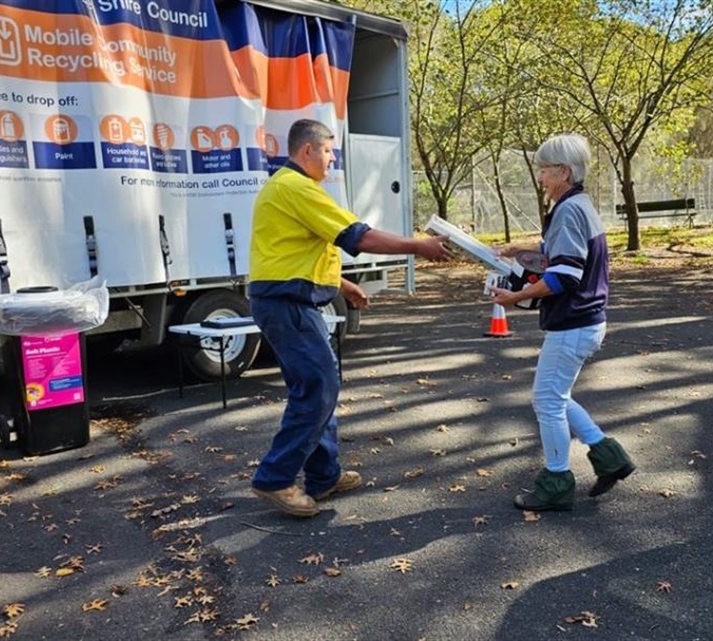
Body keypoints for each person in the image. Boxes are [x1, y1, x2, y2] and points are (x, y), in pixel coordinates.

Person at [248, 118, 453, 517]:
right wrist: (419, 246)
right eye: (327, 151)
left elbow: (299, 253)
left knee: (319, 387)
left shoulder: (289, 188)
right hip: (287, 303)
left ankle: (324, 476)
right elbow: (359, 236)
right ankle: (275, 478)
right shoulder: (296, 187)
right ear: (307, 150)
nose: (331, 160)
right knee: (319, 386)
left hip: (292, 300)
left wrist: (343, 286)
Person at [488, 133, 634, 512]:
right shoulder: (577, 204)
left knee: (546, 400)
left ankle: (556, 482)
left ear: (564, 172)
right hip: (583, 320)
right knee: (558, 396)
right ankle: (610, 458)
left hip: (574, 322)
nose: (540, 178)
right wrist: (520, 250)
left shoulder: (568, 209)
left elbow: (564, 275)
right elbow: (561, 252)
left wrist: (514, 297)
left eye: (545, 171)